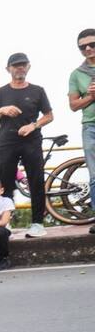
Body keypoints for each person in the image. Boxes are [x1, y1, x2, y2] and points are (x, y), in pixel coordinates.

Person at [0, 52, 54, 238]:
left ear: (29, 67)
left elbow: (49, 115)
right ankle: (5, 223)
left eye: (23, 65)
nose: (20, 68)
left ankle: (38, 223)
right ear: (8, 69)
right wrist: (2, 109)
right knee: (5, 183)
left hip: (31, 141)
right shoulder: (0, 93)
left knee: (36, 181)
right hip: (7, 142)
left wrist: (33, 125)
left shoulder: (37, 90)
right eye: (16, 65)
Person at [67, 28, 95, 234]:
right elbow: (74, 105)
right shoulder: (76, 74)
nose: (87, 49)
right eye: (82, 46)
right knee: (94, 175)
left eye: (92, 44)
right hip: (90, 126)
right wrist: (91, 97)